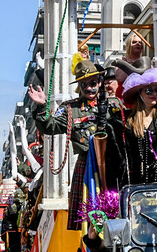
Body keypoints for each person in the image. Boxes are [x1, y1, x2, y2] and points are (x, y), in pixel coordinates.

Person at [28, 59, 122, 230]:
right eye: (84, 84)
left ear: (100, 82)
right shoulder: (70, 109)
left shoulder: (115, 105)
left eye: (93, 83)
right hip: (86, 166)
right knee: (88, 216)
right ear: (79, 86)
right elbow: (50, 126)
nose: (89, 88)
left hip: (113, 165)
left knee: (117, 209)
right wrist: (41, 107)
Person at [112, 66, 157, 185]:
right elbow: (117, 157)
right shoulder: (125, 121)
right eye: (149, 90)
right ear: (139, 93)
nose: (154, 94)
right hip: (133, 185)